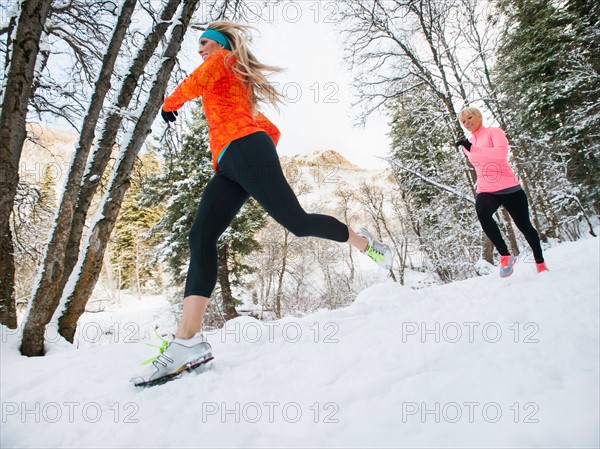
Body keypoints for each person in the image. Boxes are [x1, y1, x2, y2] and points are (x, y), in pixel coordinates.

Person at [131, 21, 393, 386]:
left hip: (244, 152)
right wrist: (259, 141)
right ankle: (186, 343)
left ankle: (366, 244)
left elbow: (195, 83)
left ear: (219, 44)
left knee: (298, 224)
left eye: (204, 42)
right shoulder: (231, 81)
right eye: (201, 45)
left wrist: (170, 102)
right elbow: (269, 126)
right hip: (229, 163)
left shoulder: (221, 60)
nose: (200, 49)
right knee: (200, 238)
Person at [455, 106, 548, 278]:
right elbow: (479, 165)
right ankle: (505, 255)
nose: (467, 123)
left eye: (469, 118)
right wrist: (470, 148)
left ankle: (540, 262)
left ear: (479, 117)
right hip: (487, 189)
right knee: (482, 213)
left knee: (525, 226)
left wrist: (473, 148)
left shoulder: (494, 132)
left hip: (509, 188)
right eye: (463, 121)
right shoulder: (467, 144)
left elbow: (501, 153)